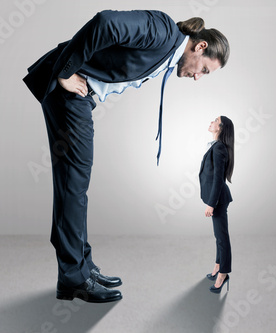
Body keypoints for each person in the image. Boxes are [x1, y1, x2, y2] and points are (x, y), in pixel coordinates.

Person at [23, 9, 230, 303]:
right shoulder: (161, 29)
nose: (198, 77)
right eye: (204, 70)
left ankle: (82, 267)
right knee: (73, 186)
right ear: (200, 47)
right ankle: (72, 278)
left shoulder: (169, 49)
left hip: (78, 98)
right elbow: (105, 22)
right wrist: (65, 71)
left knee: (74, 185)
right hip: (67, 92)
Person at [199, 116, 234, 293]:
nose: (211, 122)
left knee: (222, 237)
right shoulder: (215, 146)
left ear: (220, 128)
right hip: (217, 198)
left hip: (218, 199)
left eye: (214, 120)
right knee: (218, 235)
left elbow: (219, 179)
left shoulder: (219, 148)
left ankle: (224, 273)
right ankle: (217, 267)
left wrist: (211, 204)